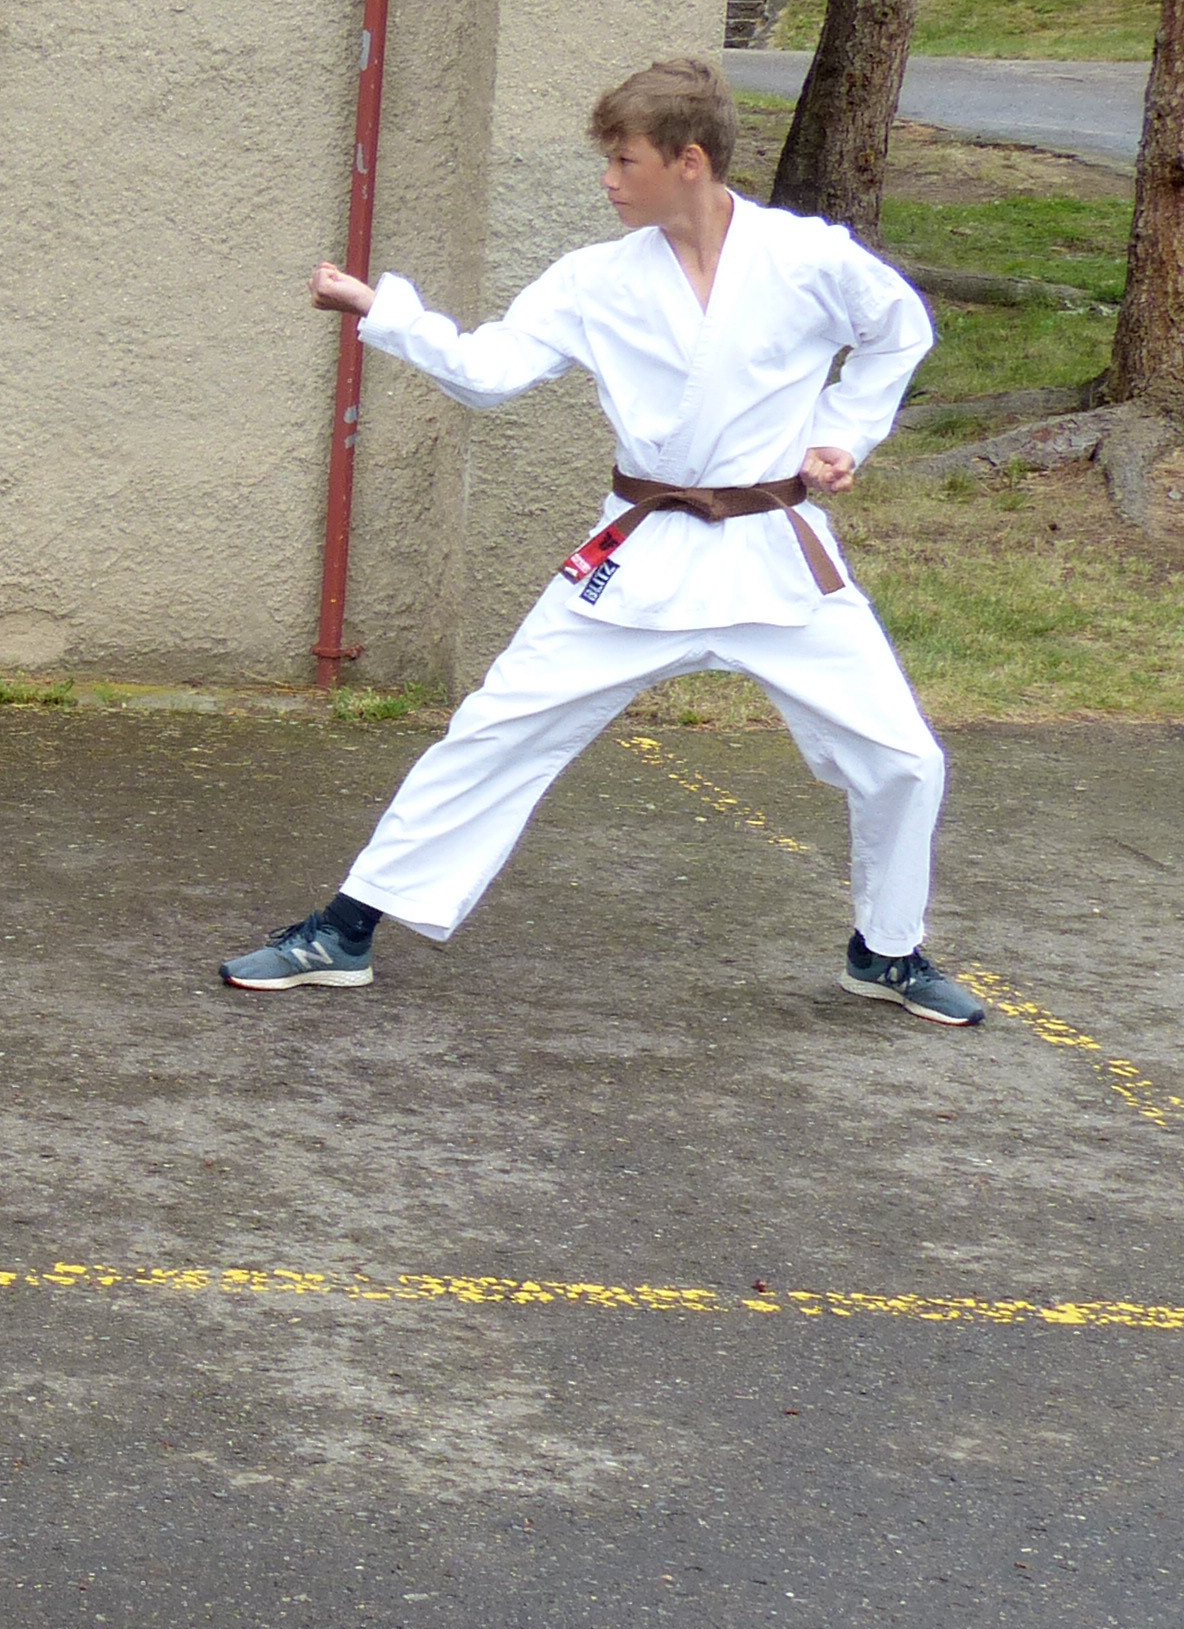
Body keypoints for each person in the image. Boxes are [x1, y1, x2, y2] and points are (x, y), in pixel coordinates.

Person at [222, 54, 978, 1024]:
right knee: (497, 731)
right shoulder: (595, 279)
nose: (608, 181)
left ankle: (887, 952)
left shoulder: (807, 259)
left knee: (904, 759)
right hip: (641, 556)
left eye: (625, 161)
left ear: (689, 161)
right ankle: (345, 930)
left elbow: (898, 331)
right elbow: (490, 370)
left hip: (772, 555)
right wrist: (388, 314)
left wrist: (842, 433)